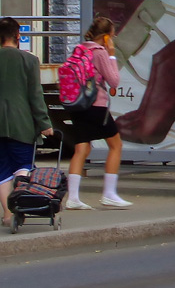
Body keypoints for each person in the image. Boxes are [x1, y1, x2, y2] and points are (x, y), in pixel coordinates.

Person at [66, 16, 131, 209]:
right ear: (105, 37)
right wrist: (111, 54)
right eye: (112, 36)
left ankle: (73, 198)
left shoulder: (80, 49)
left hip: (78, 106)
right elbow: (114, 81)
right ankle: (109, 194)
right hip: (96, 106)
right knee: (116, 145)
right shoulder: (100, 52)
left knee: (82, 149)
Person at [0, 17, 55, 227]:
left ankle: (7, 214)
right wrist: (44, 124)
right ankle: (21, 205)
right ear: (18, 36)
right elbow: (35, 96)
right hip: (21, 124)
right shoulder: (29, 60)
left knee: (2, 170)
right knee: (23, 165)